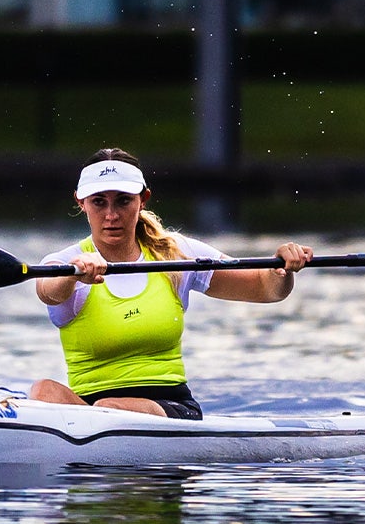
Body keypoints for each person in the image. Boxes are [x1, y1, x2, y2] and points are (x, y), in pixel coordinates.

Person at [29, 149, 311, 421]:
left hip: (169, 407)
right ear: (81, 202)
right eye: (99, 202)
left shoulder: (174, 253)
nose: (111, 215)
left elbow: (264, 289)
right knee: (43, 390)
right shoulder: (64, 261)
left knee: (109, 406)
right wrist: (72, 274)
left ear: (143, 199)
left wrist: (281, 269)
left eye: (123, 201)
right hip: (88, 411)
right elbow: (48, 292)